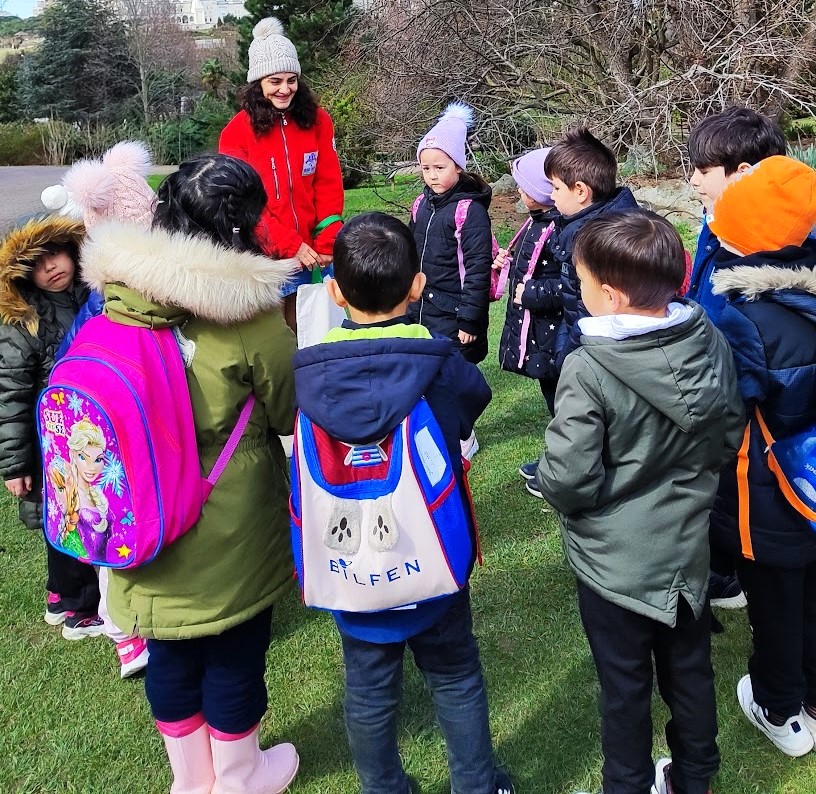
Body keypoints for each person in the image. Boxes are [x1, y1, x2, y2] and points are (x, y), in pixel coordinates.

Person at [81, 153, 299, 793]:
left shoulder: (117, 294)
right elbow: (288, 408)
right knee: (232, 653)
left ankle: (190, 780)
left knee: (169, 652)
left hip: (132, 517)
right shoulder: (248, 314)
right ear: (246, 224)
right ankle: (238, 777)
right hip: (223, 518)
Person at [291, 212, 513, 794]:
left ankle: (383, 787)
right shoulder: (440, 365)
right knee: (456, 678)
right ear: (418, 285)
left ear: (333, 292)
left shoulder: (307, 376)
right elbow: (472, 405)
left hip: (350, 564)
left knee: (367, 688)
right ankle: (475, 784)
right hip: (433, 551)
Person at [535, 210, 743, 794]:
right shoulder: (707, 338)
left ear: (610, 293)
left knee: (624, 687)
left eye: (579, 283)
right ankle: (695, 777)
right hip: (688, 549)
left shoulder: (588, 367)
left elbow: (570, 475)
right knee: (689, 671)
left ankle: (625, 784)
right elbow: (729, 429)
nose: (577, 292)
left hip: (615, 566)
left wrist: (555, 487)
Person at [707, 155, 816, 758]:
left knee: (775, 604)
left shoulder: (741, 319)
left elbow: (723, 415)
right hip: (812, 481)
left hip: (764, 493)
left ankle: (781, 708)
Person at [686, 107, 788, 613]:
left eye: (704, 171)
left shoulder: (771, 245)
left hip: (753, 416)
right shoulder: (716, 225)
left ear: (744, 174)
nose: (693, 182)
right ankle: (728, 569)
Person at [0, 215, 104, 640]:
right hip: (51, 439)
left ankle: (58, 594)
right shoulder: (23, 323)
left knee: (73, 513)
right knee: (65, 518)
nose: (50, 268)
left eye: (56, 254)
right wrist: (15, 464)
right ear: (25, 274)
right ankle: (79, 609)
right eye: (37, 264)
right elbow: (10, 398)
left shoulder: (91, 296)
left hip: (86, 431)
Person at [523, 128, 639, 497]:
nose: (551, 196)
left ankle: (572, 479)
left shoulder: (592, 236)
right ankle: (566, 467)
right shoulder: (586, 222)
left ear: (581, 191)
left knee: (587, 418)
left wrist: (570, 353)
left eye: (555, 188)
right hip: (584, 341)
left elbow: (584, 305)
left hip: (594, 346)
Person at [219, 16, 344, 332]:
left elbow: (328, 183)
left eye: (292, 80)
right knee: (277, 341)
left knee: (314, 334)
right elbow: (242, 206)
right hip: (265, 259)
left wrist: (328, 239)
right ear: (258, 83)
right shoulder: (235, 134)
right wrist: (290, 245)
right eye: (275, 81)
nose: (285, 89)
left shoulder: (318, 121)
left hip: (313, 256)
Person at [493, 148, 562, 483]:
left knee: (565, 406)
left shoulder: (561, 230)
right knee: (554, 401)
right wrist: (507, 266)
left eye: (525, 186)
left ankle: (563, 469)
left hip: (555, 335)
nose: (519, 192)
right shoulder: (535, 223)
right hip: (538, 333)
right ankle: (560, 461)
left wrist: (531, 293)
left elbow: (569, 283)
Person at [409, 102, 494, 367]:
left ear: (457, 165)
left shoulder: (470, 212)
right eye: (426, 169)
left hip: (454, 317)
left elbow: (478, 271)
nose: (432, 176)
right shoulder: (420, 205)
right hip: (419, 311)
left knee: (455, 387)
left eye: (439, 168)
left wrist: (469, 320)